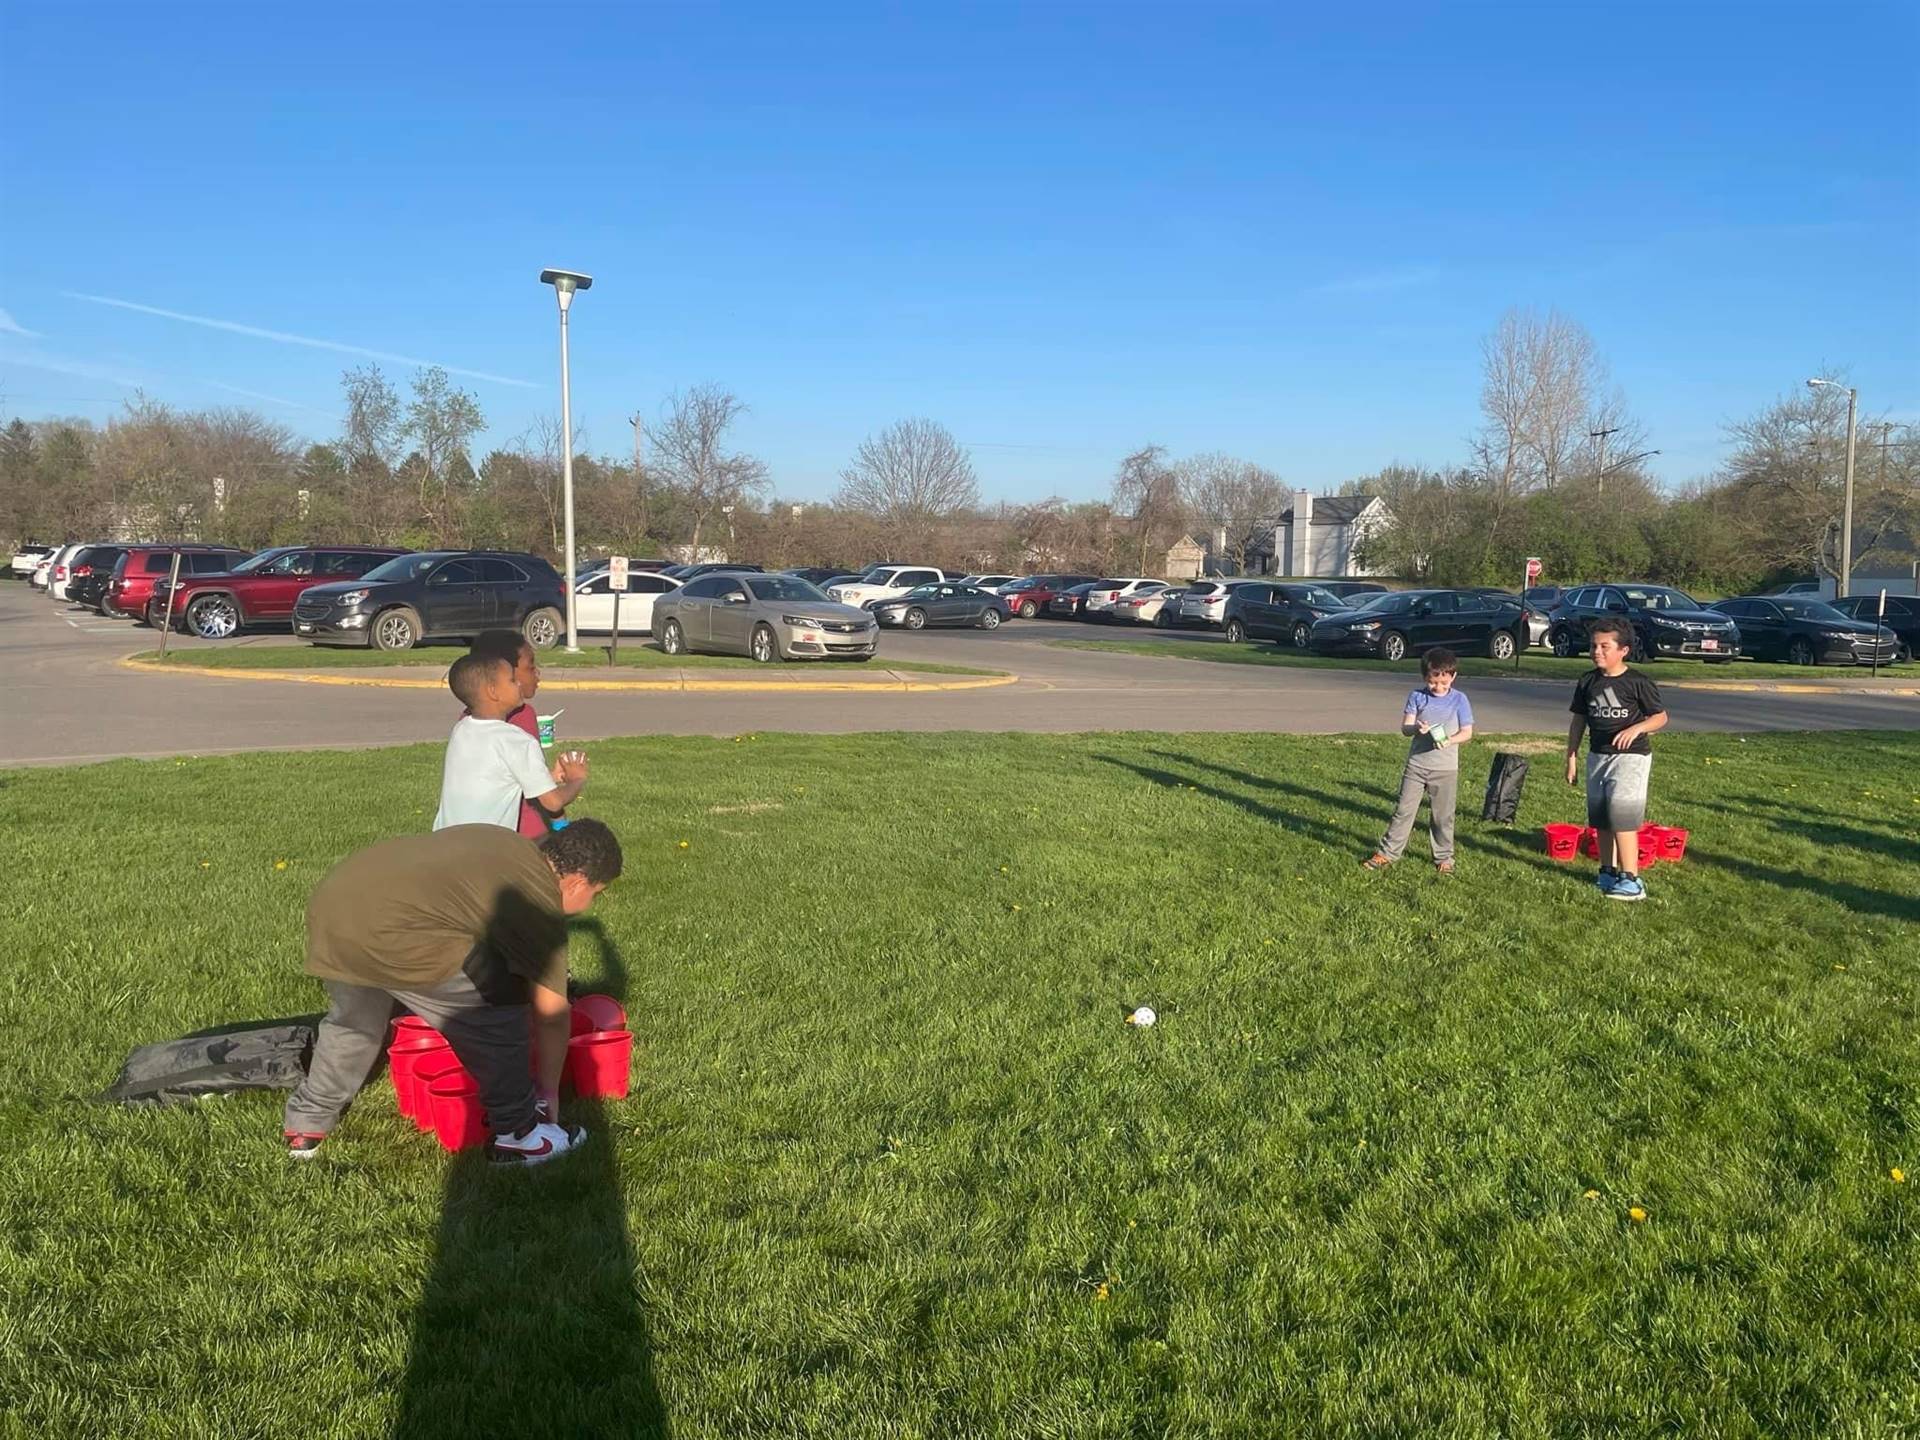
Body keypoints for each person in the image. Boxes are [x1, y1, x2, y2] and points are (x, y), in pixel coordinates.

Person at [282, 819, 624, 1163]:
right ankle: (521, 1133)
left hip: (336, 907)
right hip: (396, 930)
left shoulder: (506, 841)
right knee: (497, 1011)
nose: (591, 903)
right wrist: (548, 1091)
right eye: (596, 894)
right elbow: (551, 1015)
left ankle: (307, 1123)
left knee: (354, 1023)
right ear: (578, 882)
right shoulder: (539, 902)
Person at [1566, 617, 1667, 902]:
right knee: (1601, 818)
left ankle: (1632, 880)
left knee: (1622, 817)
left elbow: (1660, 717)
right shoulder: (1587, 681)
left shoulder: (1637, 682)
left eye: (1604, 646)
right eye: (1594, 646)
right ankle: (1607, 871)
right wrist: (1571, 756)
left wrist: (1636, 728)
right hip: (1598, 756)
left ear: (1623, 650)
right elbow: (1578, 721)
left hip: (1631, 758)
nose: (1597, 651)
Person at [434, 652, 587, 833]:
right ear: (493, 691)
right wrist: (576, 779)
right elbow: (553, 803)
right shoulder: (518, 741)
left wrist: (549, 778)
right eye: (512, 680)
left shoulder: (462, 729)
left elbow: (497, 779)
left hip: (444, 842)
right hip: (486, 849)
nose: (519, 683)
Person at [1363, 648, 1474, 873]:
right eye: (1434, 682)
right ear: (1425, 678)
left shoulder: (1460, 700)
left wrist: (1450, 740)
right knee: (1403, 811)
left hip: (1445, 769)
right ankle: (1387, 853)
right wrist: (1417, 729)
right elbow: (1405, 728)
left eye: (1444, 682)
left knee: (1442, 816)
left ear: (1453, 676)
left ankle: (1444, 858)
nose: (1439, 687)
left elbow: (1467, 732)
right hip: (1417, 766)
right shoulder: (1417, 696)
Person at [470, 629, 552, 839]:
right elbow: (545, 798)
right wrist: (575, 781)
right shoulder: (523, 716)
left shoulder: (468, 719)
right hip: (525, 834)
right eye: (530, 667)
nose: (537, 673)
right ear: (502, 676)